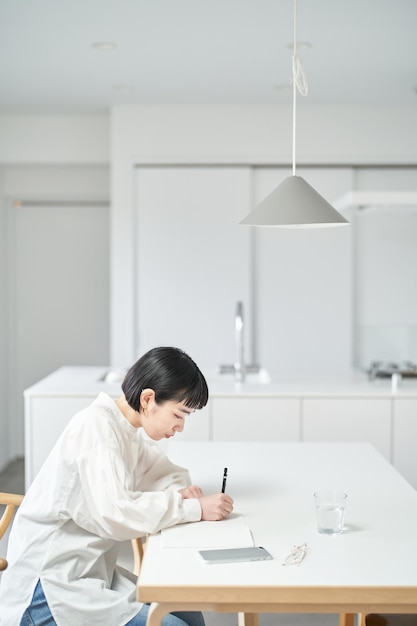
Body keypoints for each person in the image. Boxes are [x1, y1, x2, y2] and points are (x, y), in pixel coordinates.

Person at [0, 347, 234, 626]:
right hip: (48, 587)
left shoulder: (126, 431)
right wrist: (192, 507)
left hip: (90, 571)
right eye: (179, 414)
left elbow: (167, 474)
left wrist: (183, 497)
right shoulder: (96, 427)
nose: (180, 426)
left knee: (188, 613)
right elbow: (117, 513)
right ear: (148, 399)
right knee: (175, 624)